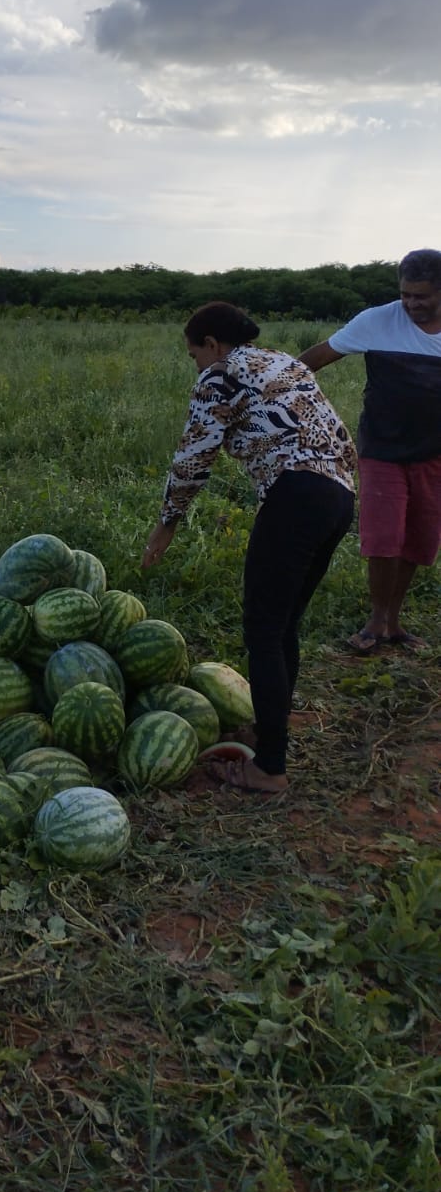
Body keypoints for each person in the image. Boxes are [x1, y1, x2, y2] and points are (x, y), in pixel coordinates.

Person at [142, 302, 356, 794]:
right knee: (283, 625)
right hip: (339, 494)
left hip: (297, 495)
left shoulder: (219, 376)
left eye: (194, 353)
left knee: (262, 629)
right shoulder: (285, 361)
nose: (195, 363)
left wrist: (167, 524)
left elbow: (194, 456)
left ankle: (269, 769)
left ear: (213, 345)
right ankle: (268, 733)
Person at [300, 249, 441, 653]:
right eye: (405, 295)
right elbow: (318, 357)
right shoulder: (377, 320)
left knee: (418, 537)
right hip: (382, 447)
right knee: (384, 536)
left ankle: (394, 621)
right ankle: (376, 621)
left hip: (434, 452)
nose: (411, 304)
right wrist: (274, 388)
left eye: (422, 296)